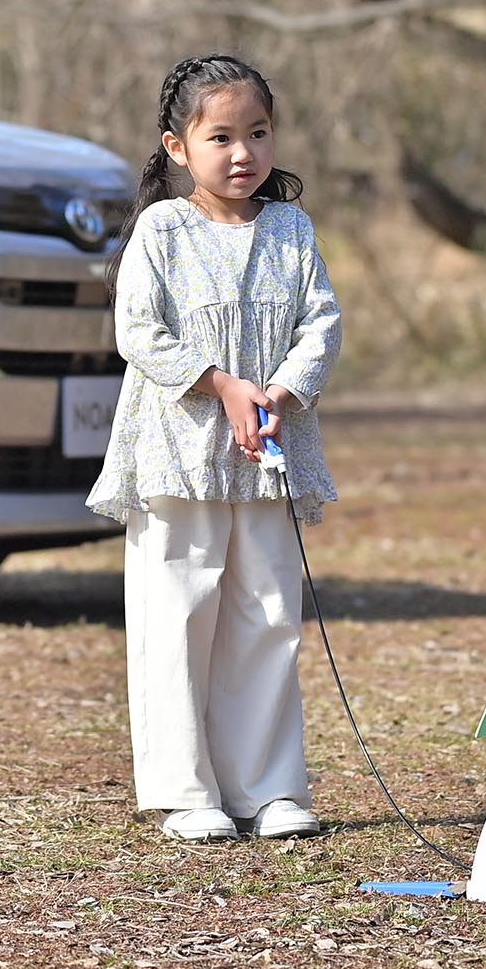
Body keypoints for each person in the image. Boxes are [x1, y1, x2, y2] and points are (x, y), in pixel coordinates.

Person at [89, 53, 342, 844]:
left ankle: (268, 787)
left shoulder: (292, 229)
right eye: (221, 137)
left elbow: (322, 324)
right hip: (179, 453)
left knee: (268, 615)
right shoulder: (162, 230)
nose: (243, 153)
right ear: (177, 147)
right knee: (179, 614)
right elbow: (138, 331)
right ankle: (184, 788)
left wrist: (280, 391)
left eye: (258, 133)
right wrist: (222, 383)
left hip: (267, 453)